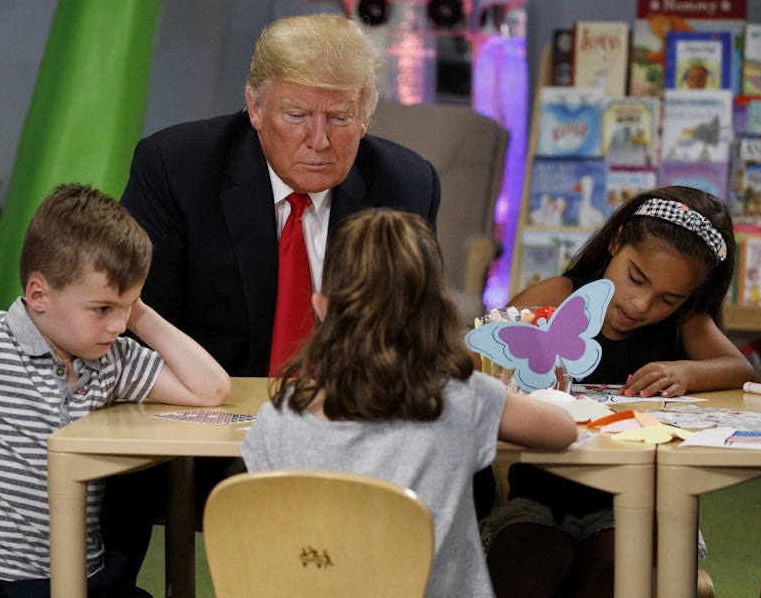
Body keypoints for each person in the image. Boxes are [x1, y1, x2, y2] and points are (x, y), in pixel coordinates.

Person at [105, 12, 441, 582]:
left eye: (341, 117)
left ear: (366, 115)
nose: (320, 139)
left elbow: (403, 335)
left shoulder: (406, 183)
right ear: (255, 108)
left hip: (344, 419)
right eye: (297, 115)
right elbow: (141, 321)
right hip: (199, 412)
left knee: (460, 472)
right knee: (114, 464)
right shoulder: (176, 166)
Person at [0, 183, 231, 598]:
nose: (118, 325)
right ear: (38, 295)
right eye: (103, 308)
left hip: (85, 573)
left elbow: (210, 388)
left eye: (127, 307)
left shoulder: (111, 355)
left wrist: (137, 309)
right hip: (1, 581)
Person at [241, 208, 578, 598]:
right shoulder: (464, 398)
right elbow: (561, 431)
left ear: (321, 307)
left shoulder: (276, 420)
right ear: (437, 311)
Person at [480, 185, 757, 598]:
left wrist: (687, 371)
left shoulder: (684, 322)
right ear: (615, 241)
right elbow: (490, 346)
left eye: (668, 298)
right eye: (636, 278)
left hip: (636, 506)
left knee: (616, 579)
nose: (642, 305)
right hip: (539, 500)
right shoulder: (559, 296)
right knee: (520, 578)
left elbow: (740, 368)